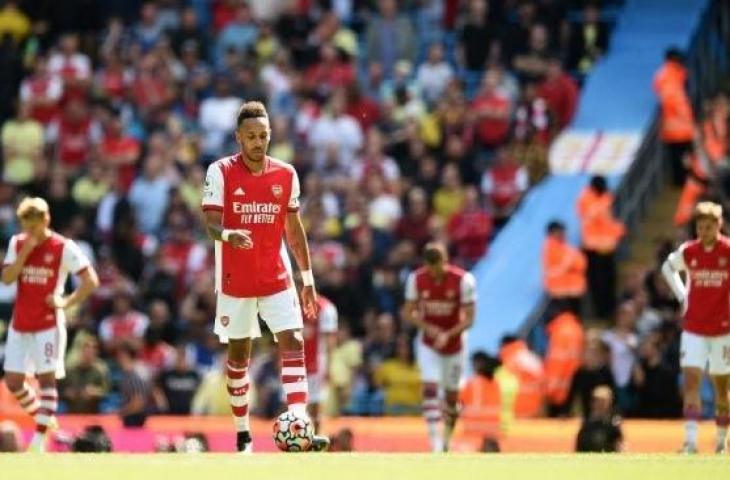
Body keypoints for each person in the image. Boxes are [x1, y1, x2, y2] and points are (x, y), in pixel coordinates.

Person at [201, 101, 328, 453]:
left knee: (294, 340)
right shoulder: (220, 171)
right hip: (235, 280)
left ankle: (299, 423)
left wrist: (307, 278)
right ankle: (242, 432)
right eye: (252, 136)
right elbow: (210, 223)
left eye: (264, 135)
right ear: (238, 137)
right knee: (240, 355)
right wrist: (228, 235)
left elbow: (293, 227)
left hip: (276, 275)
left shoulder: (286, 174)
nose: (259, 142)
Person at [1, 196, 99, 452]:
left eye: (34, 226)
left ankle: (39, 439)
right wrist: (25, 251)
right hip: (20, 323)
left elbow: (91, 281)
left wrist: (66, 302)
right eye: (26, 226)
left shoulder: (63, 247)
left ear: (46, 220)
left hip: (48, 325)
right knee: (13, 382)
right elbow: (8, 279)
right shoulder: (17, 243)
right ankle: (45, 418)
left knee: (46, 381)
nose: (30, 232)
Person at [661, 201, 730, 454]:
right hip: (694, 328)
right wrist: (682, 295)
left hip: (723, 330)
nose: (704, 232)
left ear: (719, 226)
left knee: (722, 386)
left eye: (709, 227)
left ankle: (722, 440)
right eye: (700, 227)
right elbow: (668, 268)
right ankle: (690, 443)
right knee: (691, 382)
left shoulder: (727, 251)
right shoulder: (689, 252)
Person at [404, 242, 477, 452]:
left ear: (445, 262)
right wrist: (429, 328)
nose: (434, 273)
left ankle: (446, 439)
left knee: (452, 399)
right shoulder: (416, 279)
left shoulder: (464, 281)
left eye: (437, 268)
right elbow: (409, 312)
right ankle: (434, 440)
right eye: (430, 269)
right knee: (430, 386)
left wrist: (448, 334)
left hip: (455, 345)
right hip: (429, 344)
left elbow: (470, 319)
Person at [576, 175, 625, 319]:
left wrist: (618, 231)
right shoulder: (586, 200)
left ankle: (611, 310)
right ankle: (602, 313)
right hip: (593, 250)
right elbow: (596, 216)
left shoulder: (604, 198)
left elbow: (608, 222)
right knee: (598, 284)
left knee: (610, 281)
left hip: (607, 248)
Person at [304, 294, 338, 432]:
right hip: (293, 363)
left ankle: (315, 439)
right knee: (288, 407)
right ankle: (293, 442)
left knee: (315, 407)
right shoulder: (290, 303)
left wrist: (329, 366)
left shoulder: (325, 308)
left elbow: (330, 341)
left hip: (316, 364)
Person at [542, 220, 587, 315]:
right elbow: (568, 264)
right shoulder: (551, 249)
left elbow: (581, 263)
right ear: (553, 233)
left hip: (572, 289)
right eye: (561, 231)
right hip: (561, 291)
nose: (563, 234)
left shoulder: (565, 247)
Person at [575, 386, 624, 453]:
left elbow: (620, 446)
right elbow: (579, 447)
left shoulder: (613, 424)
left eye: (603, 401)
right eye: (597, 400)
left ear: (610, 402)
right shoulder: (586, 424)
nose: (600, 404)